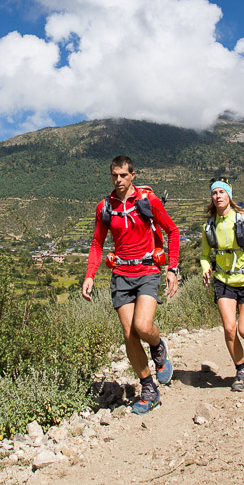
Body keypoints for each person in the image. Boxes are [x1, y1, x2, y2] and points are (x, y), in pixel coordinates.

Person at [82, 155, 180, 414]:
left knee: (142, 326)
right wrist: (90, 274)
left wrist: (172, 268)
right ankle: (149, 388)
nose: (118, 180)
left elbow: (173, 231)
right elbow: (96, 243)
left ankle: (158, 347)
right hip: (121, 274)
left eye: (123, 175)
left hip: (148, 270)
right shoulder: (105, 207)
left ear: (133, 175)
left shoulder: (147, 201)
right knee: (129, 334)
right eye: (114, 175)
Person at [201, 177, 244, 392]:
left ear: (229, 195)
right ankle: (241, 370)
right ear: (212, 198)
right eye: (214, 193)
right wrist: (206, 268)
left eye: (222, 192)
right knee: (230, 328)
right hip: (224, 282)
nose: (218, 196)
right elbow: (204, 255)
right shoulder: (209, 226)